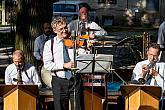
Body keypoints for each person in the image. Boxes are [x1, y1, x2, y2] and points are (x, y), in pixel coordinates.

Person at [43, 17, 82, 110]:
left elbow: (83, 57)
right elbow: (48, 65)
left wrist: (87, 48)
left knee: (77, 107)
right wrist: (63, 65)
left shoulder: (74, 41)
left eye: (65, 28)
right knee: (60, 107)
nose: (64, 30)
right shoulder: (50, 44)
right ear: (55, 30)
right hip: (59, 80)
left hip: (75, 79)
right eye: (61, 29)